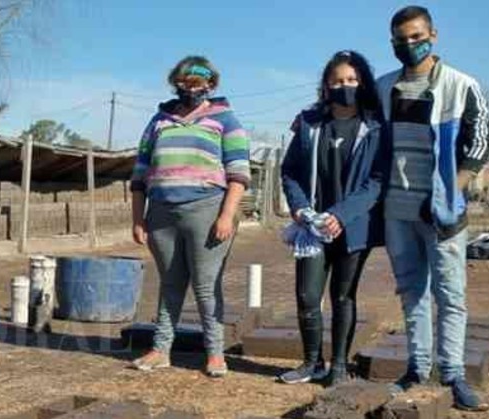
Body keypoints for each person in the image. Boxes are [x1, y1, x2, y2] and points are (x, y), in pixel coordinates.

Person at [379, 5, 489, 411]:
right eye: (400, 39)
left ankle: (454, 373)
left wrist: (450, 192)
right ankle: (417, 366)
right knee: (411, 290)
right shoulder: (383, 87)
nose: (409, 44)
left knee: (450, 291)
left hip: (442, 212)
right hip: (397, 208)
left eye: (416, 36)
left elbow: (478, 146)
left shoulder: (461, 86)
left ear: (433, 35)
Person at [128, 56, 251, 377]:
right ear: (175, 83)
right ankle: (160, 349)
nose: (190, 88)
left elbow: (238, 172)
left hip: (206, 209)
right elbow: (140, 171)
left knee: (205, 285)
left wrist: (226, 215)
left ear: (210, 84)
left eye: (197, 83)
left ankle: (214, 353)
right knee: (170, 283)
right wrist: (138, 218)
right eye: (183, 82)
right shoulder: (159, 120)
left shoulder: (226, 119)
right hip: (161, 212)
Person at [278, 51, 388, 387]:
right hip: (312, 227)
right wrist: (298, 208)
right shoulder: (311, 124)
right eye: (338, 81)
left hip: (353, 226)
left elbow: (377, 181)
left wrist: (340, 215)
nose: (345, 86)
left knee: (344, 296)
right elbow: (290, 171)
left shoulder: (375, 127)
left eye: (352, 80)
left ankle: (339, 365)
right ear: (326, 85)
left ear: (363, 82)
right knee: (307, 296)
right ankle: (312, 362)